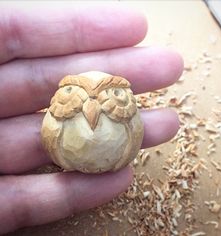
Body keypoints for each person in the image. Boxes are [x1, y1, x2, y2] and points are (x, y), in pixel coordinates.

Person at [0, 3, 183, 234]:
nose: (91, 105)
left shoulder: (131, 128)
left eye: (113, 93)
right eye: (74, 92)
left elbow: (131, 143)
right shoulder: (54, 127)